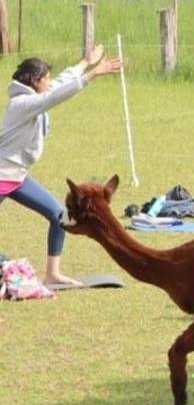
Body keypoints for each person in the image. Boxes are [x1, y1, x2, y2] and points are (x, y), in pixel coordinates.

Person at [2, 46, 125, 285]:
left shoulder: (34, 97)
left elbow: (59, 84)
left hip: (18, 177)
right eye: (46, 79)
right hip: (2, 174)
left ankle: (52, 274)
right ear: (35, 81)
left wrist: (85, 62)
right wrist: (93, 74)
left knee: (60, 215)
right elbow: (56, 95)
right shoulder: (22, 103)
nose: (50, 82)